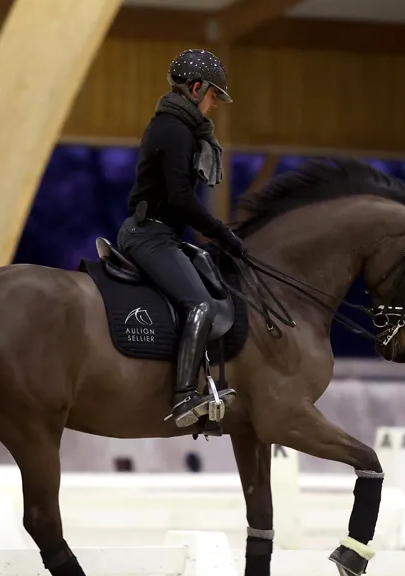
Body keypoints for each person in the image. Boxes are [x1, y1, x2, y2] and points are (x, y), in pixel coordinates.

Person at [119, 48, 248, 428]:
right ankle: (182, 398)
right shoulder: (174, 130)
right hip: (149, 236)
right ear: (195, 88)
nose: (216, 106)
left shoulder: (180, 127)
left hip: (163, 235)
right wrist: (223, 233)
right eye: (213, 96)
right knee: (200, 306)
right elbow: (180, 197)